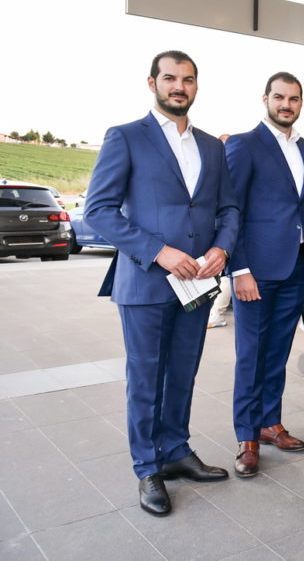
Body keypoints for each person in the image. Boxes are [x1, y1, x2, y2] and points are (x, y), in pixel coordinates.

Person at [85, 50, 239, 516]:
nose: (179, 86)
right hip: (146, 283)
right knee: (146, 379)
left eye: (187, 80)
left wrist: (222, 249)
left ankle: (175, 450)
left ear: (196, 86)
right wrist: (158, 251)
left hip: (198, 286)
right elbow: (98, 211)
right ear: (152, 83)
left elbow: (228, 208)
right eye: (170, 78)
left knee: (183, 372)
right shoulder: (126, 137)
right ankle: (147, 467)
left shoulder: (212, 146)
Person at [225, 72, 304, 477]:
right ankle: (246, 436)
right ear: (265, 99)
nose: (286, 104)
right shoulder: (244, 145)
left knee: (278, 351)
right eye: (279, 97)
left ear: (301, 104)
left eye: (293, 99)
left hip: (297, 266)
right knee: (251, 354)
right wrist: (239, 268)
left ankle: (269, 422)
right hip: (256, 271)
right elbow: (231, 211)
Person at [207, 134, 234, 329]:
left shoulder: (225, 167)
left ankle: (215, 312)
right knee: (224, 275)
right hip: (219, 231)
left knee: (224, 275)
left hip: (225, 231)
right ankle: (215, 313)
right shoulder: (218, 168)